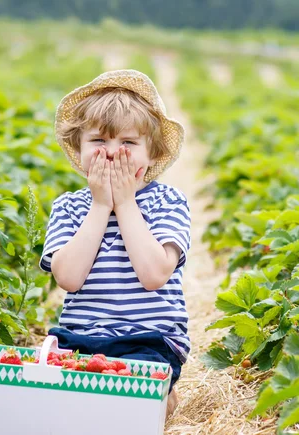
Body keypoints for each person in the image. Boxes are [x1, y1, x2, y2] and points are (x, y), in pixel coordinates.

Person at [39, 69, 190, 417]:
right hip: (82, 338)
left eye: (128, 143)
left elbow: (154, 275)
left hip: (149, 339)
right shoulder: (70, 206)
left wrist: (124, 204)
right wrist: (100, 205)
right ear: (79, 149)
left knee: (128, 399)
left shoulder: (168, 202)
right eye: (99, 142)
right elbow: (68, 278)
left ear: (152, 153)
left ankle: (156, 397)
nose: (111, 153)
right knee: (55, 386)